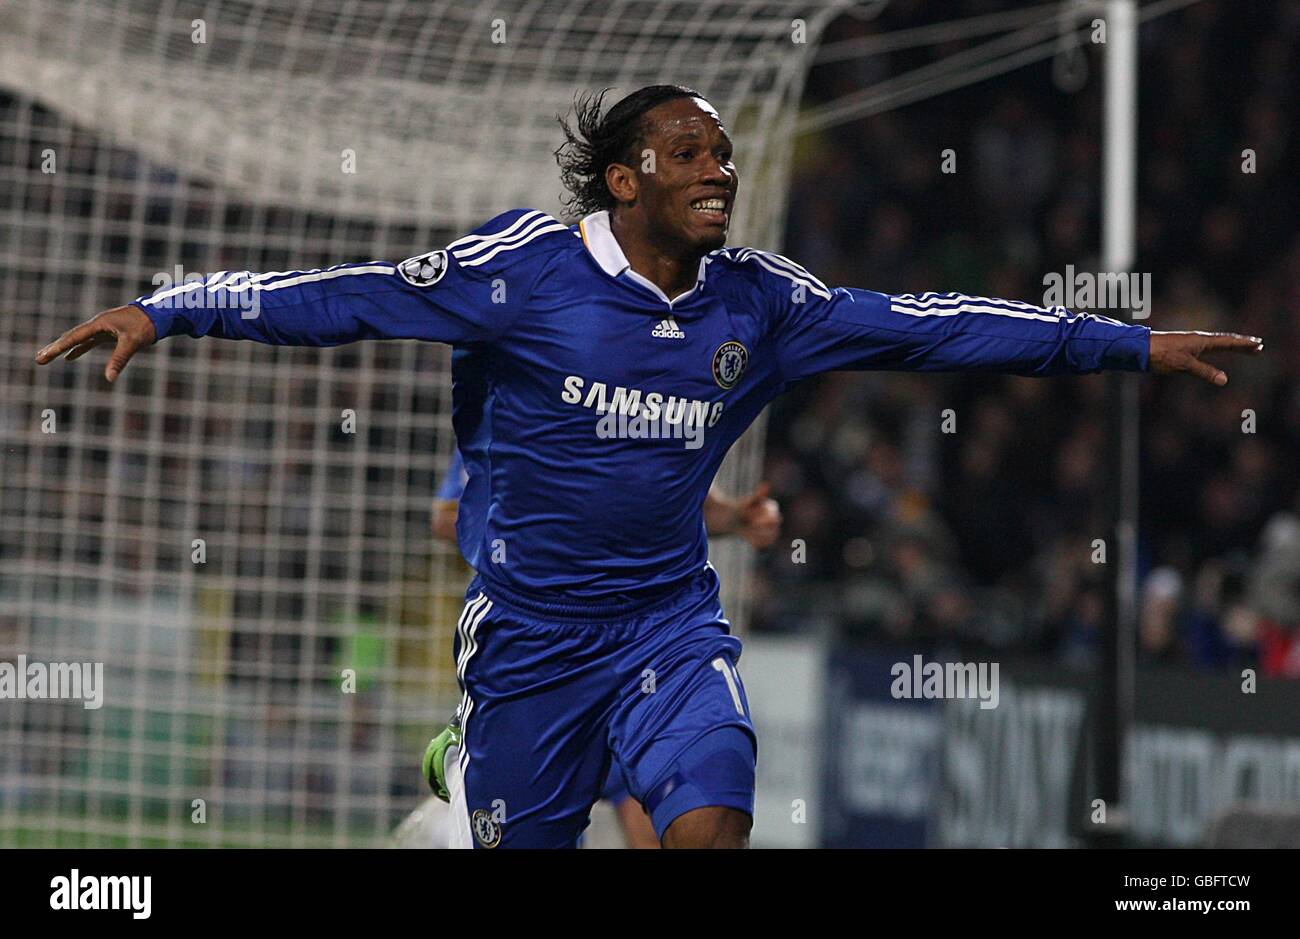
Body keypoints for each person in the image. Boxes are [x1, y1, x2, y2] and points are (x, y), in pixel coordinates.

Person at [35, 84, 1263, 848]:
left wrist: (1123, 344)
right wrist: (170, 308)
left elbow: (931, 323)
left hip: (668, 625)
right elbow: (346, 301)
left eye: (723, 153)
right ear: (625, 182)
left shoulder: (760, 306)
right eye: (689, 154)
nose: (718, 169)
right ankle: (471, 762)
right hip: (529, 634)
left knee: (712, 813)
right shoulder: (520, 273)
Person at [427, 447, 781, 847]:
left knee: (681, 823)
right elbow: (446, 516)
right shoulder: (520, 406)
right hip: (541, 645)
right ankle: (473, 773)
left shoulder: (660, 408)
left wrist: (735, 516)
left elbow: (681, 498)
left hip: (650, 645)